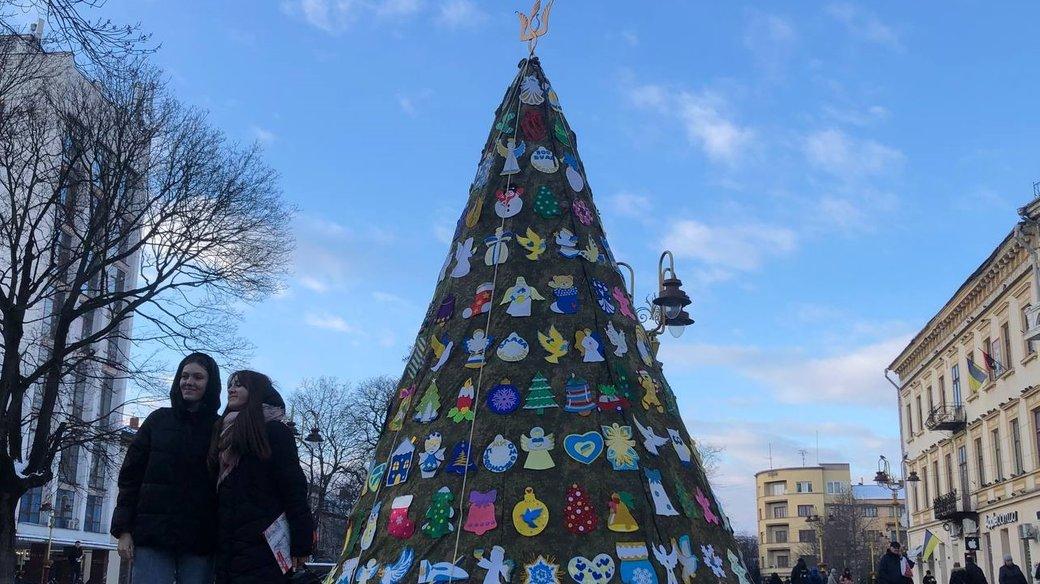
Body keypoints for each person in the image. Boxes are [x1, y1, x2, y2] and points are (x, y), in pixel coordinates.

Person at [111, 353, 222, 584]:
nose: (189, 381)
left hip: (200, 539)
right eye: (184, 375)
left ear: (210, 384)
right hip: (153, 536)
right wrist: (123, 530)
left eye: (198, 377)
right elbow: (130, 478)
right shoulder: (157, 421)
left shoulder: (220, 428)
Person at [211, 370, 314, 583]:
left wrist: (301, 541)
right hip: (228, 545)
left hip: (265, 545)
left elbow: (294, 489)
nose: (232, 389)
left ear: (256, 392)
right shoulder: (222, 431)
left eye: (240, 385)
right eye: (230, 385)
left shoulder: (275, 432)